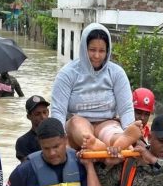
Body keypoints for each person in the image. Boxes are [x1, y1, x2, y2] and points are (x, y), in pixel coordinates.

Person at [50, 23, 143, 151]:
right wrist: (60, 138)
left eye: (102, 51)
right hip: (79, 122)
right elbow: (58, 111)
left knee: (112, 133)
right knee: (78, 125)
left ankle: (119, 142)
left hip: (107, 122)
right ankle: (93, 143)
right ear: (84, 48)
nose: (97, 56)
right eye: (92, 50)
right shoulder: (67, 73)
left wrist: (128, 129)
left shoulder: (116, 73)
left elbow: (126, 108)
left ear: (108, 51)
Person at [16, 95, 51, 162]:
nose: (43, 117)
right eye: (37, 114)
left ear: (48, 112)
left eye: (45, 112)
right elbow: (27, 168)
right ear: (29, 116)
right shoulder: (23, 142)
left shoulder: (57, 134)